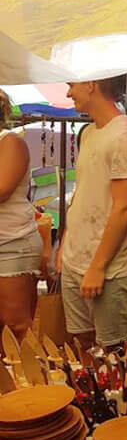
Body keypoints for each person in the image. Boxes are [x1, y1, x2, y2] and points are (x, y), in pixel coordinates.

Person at [58, 77, 127, 351]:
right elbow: (84, 193)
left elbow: (124, 208)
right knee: (83, 349)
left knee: (116, 354)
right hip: (75, 262)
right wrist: (65, 245)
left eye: (72, 84)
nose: (68, 91)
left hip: (111, 270)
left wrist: (97, 268)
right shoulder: (88, 133)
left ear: (91, 83)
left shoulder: (126, 136)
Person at [0, 92, 44, 341]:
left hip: (11, 244)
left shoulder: (10, 142)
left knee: (15, 324)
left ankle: (26, 378)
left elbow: (3, 190)